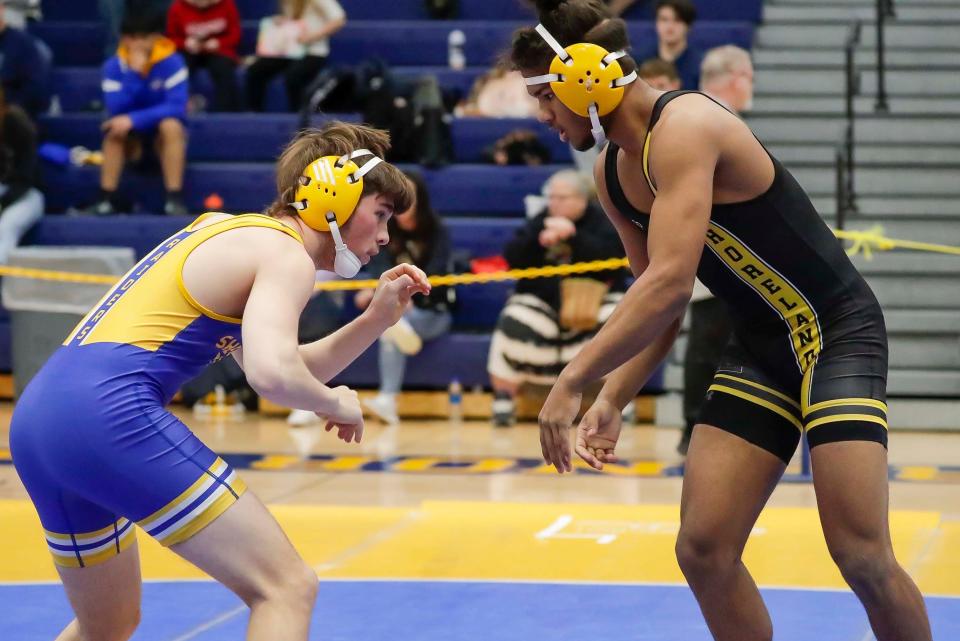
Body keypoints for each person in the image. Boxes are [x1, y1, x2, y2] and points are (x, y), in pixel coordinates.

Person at [514, 2, 931, 640]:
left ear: (583, 81)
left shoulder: (687, 124)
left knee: (861, 554)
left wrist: (573, 380)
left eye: (545, 96)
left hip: (835, 332)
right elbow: (662, 302)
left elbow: (670, 280)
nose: (542, 114)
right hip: (764, 346)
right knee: (703, 549)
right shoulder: (613, 172)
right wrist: (614, 396)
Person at [10, 121, 430, 641]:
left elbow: (285, 366)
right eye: (382, 214)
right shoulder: (285, 255)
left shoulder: (230, 231)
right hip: (108, 413)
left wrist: (374, 321)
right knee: (286, 587)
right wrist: (335, 402)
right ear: (334, 198)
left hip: (40, 420)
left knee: (108, 624)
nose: (387, 236)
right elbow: (273, 376)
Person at [488, 169, 627, 427]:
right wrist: (538, 240)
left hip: (593, 300)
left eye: (562, 198)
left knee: (618, 318)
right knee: (513, 315)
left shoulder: (602, 221)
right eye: (551, 198)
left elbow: (613, 263)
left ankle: (618, 398)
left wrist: (574, 236)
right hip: (544, 303)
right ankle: (504, 398)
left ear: (581, 199)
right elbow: (513, 259)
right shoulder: (541, 220)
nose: (555, 204)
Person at [675, 45, 753, 455]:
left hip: (705, 240)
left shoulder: (691, 111)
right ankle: (695, 428)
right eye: (749, 79)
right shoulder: (716, 118)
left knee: (712, 342)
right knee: (708, 343)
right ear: (738, 78)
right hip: (711, 244)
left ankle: (703, 427)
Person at [337, 171, 452, 425]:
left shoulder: (437, 231)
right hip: (399, 310)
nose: (403, 205)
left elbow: (438, 277)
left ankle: (388, 398)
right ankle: (387, 398)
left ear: (420, 199)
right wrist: (374, 292)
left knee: (391, 325)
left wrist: (410, 298)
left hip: (433, 312)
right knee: (392, 328)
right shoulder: (386, 233)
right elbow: (381, 272)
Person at [85, 9, 190, 216]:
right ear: (124, 39)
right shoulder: (114, 66)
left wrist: (134, 119)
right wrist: (134, 73)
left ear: (156, 37)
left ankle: (174, 199)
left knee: (172, 125)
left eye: (145, 38)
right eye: (132, 38)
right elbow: (115, 108)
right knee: (114, 129)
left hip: (161, 135)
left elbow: (177, 107)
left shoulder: (173, 62)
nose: (138, 44)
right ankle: (106, 198)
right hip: (131, 139)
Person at [245, 0, 346, 113]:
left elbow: (339, 19)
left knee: (294, 76)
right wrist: (282, 22)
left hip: (314, 52)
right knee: (256, 69)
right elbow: (295, 22)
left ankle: (298, 115)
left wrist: (312, 36)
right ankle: (254, 113)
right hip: (290, 52)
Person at [167, 0, 242, 112]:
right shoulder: (177, 6)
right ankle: (178, 109)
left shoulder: (227, 4)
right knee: (179, 66)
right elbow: (170, 38)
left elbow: (235, 34)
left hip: (219, 51)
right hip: (188, 51)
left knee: (223, 68)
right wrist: (185, 43)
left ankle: (224, 113)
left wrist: (219, 43)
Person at [0, 86, 43, 263]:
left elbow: (27, 177)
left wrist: (3, 204)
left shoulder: (17, 125)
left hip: (26, 194)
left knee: (7, 227)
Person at [632, 0, 703, 91]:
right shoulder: (638, 60)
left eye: (677, 20)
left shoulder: (699, 65)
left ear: (688, 26)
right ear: (656, 23)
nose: (670, 27)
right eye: (664, 19)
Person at [0, 0, 51, 117]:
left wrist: (6, 106)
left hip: (14, 116)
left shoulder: (23, 45)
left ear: (1, 10)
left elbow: (36, 91)